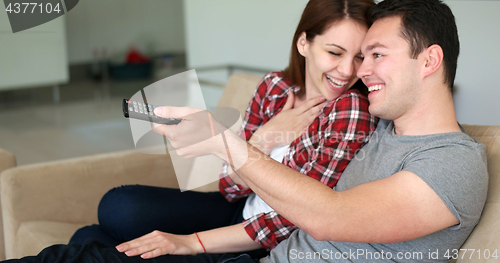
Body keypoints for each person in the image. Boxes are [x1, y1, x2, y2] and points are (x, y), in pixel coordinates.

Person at [2, 0, 487, 262]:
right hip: (260, 247)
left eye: (374, 54)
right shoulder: (379, 123)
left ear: (430, 59)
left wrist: (226, 144)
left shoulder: (452, 160)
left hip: (261, 248)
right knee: (96, 242)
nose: (360, 71)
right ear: (305, 44)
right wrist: (254, 141)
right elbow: (251, 192)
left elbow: (329, 216)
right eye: (356, 54)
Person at [66, 0, 377, 261]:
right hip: (239, 209)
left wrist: (191, 242)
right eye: (335, 53)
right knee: (117, 207)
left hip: (264, 239)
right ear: (303, 43)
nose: (348, 70)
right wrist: (265, 137)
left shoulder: (350, 111)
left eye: (360, 57)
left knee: (89, 237)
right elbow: (230, 187)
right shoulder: (275, 88)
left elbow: (299, 217)